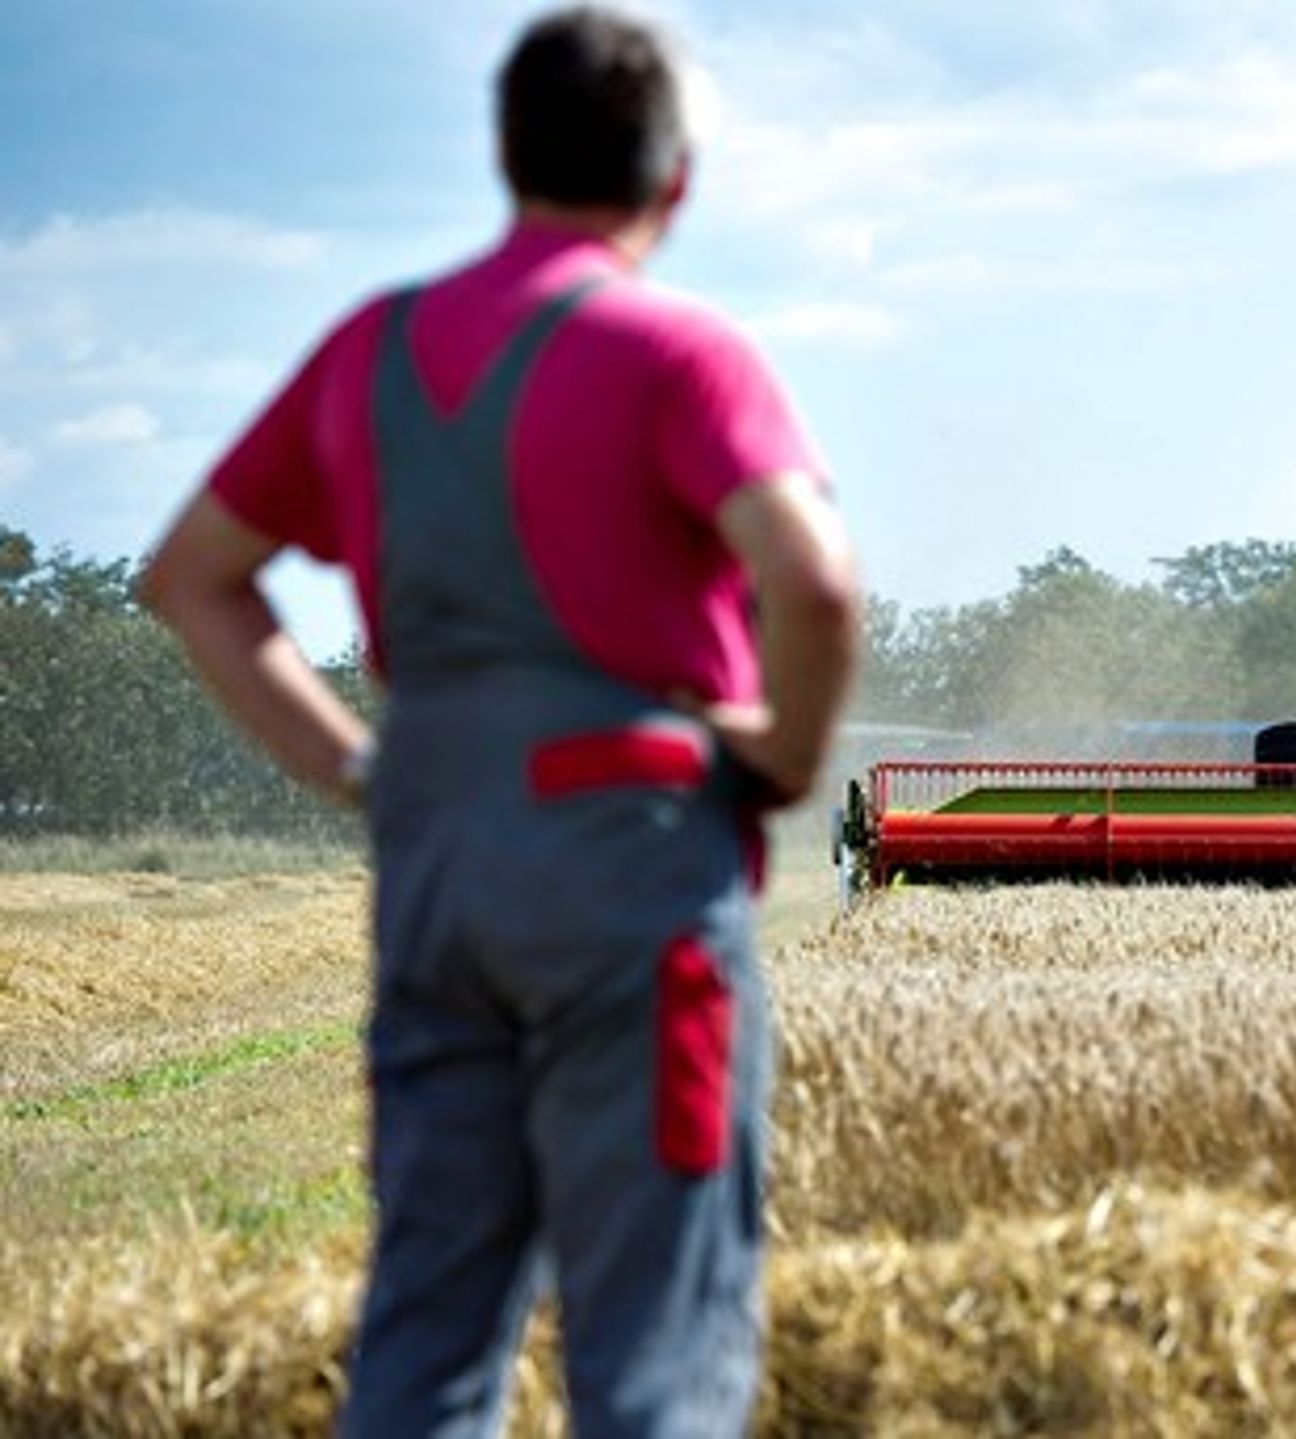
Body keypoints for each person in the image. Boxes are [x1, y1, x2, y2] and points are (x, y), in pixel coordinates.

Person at [139, 8, 858, 1434]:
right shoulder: (678, 353)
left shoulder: (373, 346)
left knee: (429, 1327)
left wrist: (358, 770)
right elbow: (816, 584)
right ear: (679, 181)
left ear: (504, 154)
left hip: (437, 864)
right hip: (630, 864)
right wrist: (778, 753)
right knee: (654, 1342)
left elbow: (193, 578)